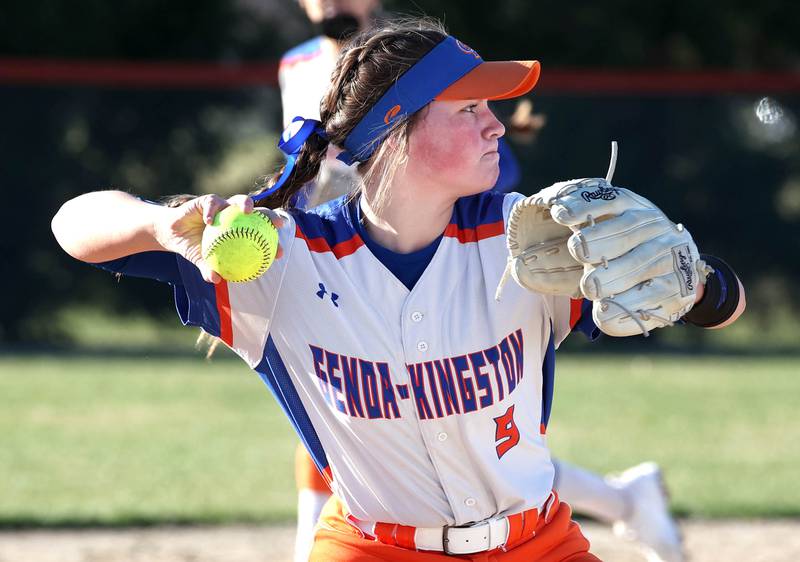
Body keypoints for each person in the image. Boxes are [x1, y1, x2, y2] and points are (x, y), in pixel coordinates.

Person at [52, 18, 745, 562]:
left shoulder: (531, 238)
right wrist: (161, 223)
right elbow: (72, 224)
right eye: (469, 107)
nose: (496, 125)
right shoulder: (285, 259)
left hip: (536, 547)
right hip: (371, 549)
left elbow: (726, 304)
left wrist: (701, 285)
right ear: (396, 132)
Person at [280, 5, 687, 562]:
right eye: (471, 107)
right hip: (345, 253)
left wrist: (705, 288)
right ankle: (624, 499)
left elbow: (486, 183)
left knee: (463, 433)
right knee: (389, 425)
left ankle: (622, 499)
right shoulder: (297, 65)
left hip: (450, 246)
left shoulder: (410, 55)